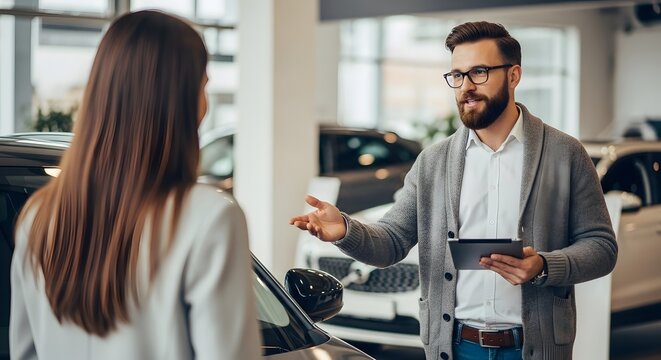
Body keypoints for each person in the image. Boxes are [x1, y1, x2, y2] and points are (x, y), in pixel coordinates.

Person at [290, 21, 617, 360]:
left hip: (533, 348)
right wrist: (345, 229)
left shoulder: (565, 153)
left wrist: (545, 266)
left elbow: (602, 247)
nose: (466, 87)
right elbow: (391, 241)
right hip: (455, 347)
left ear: (513, 75)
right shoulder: (433, 162)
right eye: (457, 76)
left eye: (479, 72)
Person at [10, 10, 261, 360]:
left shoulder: (37, 216)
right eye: (203, 86)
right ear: (180, 100)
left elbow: (25, 353)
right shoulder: (210, 217)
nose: (205, 104)